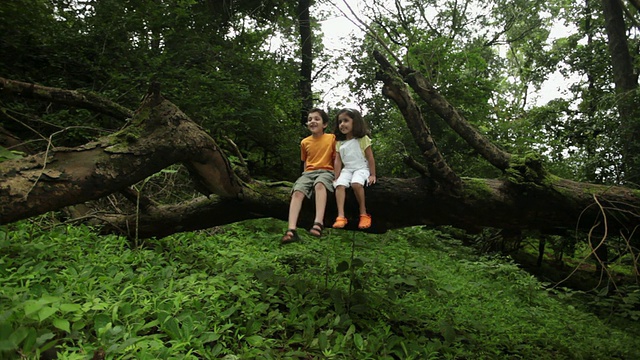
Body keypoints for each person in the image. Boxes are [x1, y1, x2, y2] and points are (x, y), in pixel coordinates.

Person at [281, 108, 336, 244]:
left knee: (320, 184)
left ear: (324, 124)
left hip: (327, 171)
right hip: (309, 173)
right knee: (297, 191)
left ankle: (318, 223)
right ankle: (291, 230)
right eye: (310, 119)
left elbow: (336, 159)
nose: (313, 121)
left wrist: (337, 176)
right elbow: (306, 162)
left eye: (317, 119)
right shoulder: (305, 142)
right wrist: (305, 177)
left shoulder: (331, 138)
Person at [331, 108, 376, 230]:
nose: (342, 124)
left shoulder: (362, 139)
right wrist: (337, 177)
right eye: (340, 122)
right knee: (339, 185)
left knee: (356, 183)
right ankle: (341, 216)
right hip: (348, 169)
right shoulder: (340, 142)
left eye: (346, 121)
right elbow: (338, 161)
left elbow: (370, 157)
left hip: (361, 168)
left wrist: (372, 174)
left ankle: (363, 213)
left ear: (355, 122)